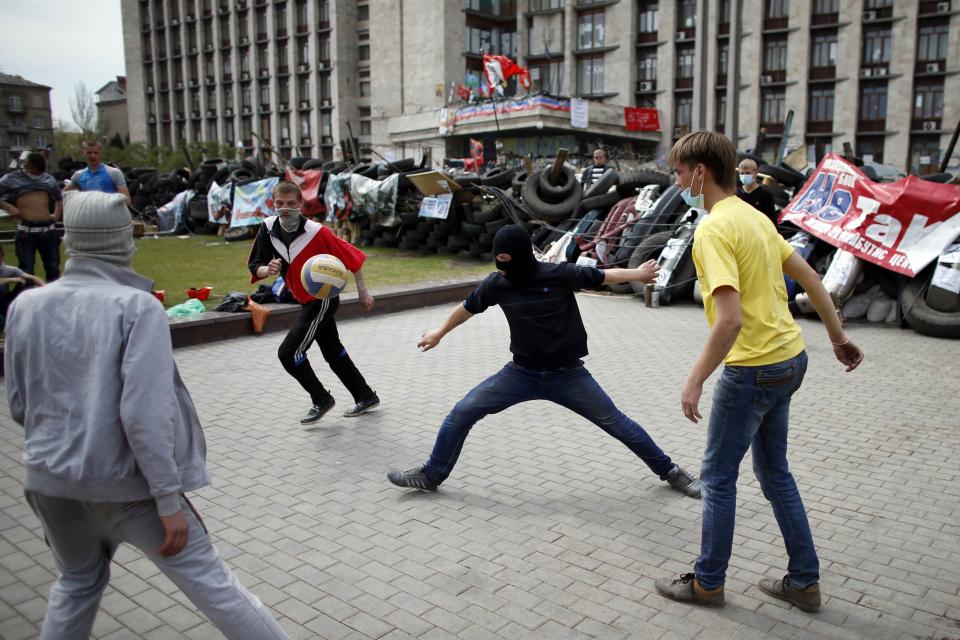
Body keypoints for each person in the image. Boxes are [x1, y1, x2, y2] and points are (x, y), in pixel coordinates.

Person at [3, 191, 289, 640]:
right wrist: (168, 500)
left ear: (69, 240)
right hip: (131, 490)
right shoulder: (136, 307)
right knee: (216, 588)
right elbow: (145, 415)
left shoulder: (25, 306)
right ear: (120, 240)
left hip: (50, 485)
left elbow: (20, 406)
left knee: (76, 584)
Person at [655, 131, 864, 611]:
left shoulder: (712, 229)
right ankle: (804, 582)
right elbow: (810, 278)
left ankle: (708, 583)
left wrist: (695, 379)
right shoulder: (755, 217)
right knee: (775, 475)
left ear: (700, 173)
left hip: (751, 370)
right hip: (790, 360)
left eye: (679, 172)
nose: (678, 180)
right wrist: (838, 338)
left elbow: (730, 320)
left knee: (718, 478)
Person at [386, 224, 701, 498]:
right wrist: (440, 332)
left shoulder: (559, 274)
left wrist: (639, 273)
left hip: (568, 376)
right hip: (520, 374)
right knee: (462, 412)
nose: (503, 270)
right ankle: (431, 475)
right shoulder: (497, 283)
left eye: (508, 263)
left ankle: (671, 471)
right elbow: (468, 308)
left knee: (617, 424)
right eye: (499, 264)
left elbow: (603, 276)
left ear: (523, 257)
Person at [248, 181, 380, 424]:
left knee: (288, 353)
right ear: (273, 204)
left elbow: (353, 258)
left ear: (301, 205)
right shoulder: (267, 228)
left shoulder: (317, 232)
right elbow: (255, 265)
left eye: (290, 204)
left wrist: (363, 292)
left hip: (323, 301)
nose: (284, 208)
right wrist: (268, 268)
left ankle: (321, 399)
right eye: (279, 204)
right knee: (333, 352)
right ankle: (365, 395)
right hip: (304, 301)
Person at [0, 152, 64, 281]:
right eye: (36, 171)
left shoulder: (48, 179)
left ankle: (53, 297)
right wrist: (9, 207)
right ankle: (28, 298)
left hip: (48, 231)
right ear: (27, 166)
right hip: (26, 233)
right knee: (27, 270)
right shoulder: (10, 178)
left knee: (53, 269)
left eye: (41, 172)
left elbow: (59, 198)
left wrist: (56, 215)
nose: (38, 175)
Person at [63, 140, 131, 204]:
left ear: (100, 153)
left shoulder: (114, 173)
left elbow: (127, 200)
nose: (92, 156)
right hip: (89, 214)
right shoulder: (78, 175)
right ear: (83, 153)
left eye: (95, 153)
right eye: (89, 153)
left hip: (109, 214)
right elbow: (63, 194)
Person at [0, 245, 44, 330]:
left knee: (29, 282)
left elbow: (34, 278)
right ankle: (11, 317)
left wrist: (46, 289)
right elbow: (15, 279)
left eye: (0, 255)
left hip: (5, 300)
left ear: (3, 255)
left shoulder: (8, 269)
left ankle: (29, 313)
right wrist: (13, 279)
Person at [735, 158, 777, 228]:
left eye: (748, 173)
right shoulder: (736, 193)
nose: (744, 176)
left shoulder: (765, 195)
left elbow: (771, 221)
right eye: (742, 173)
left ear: (756, 173)